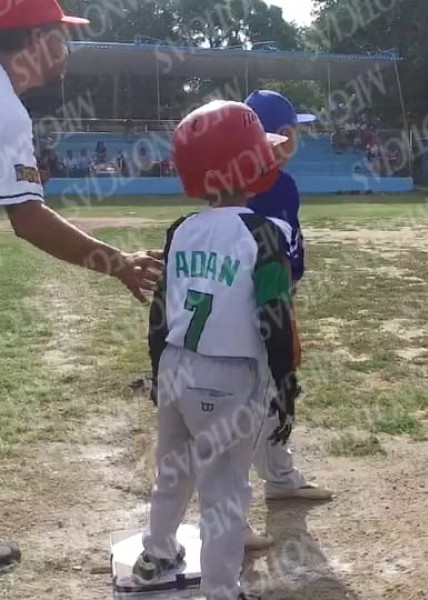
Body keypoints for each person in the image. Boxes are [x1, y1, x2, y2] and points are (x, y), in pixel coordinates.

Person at [0, 0, 162, 570]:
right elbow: (29, 220)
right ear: (37, 42)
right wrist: (118, 262)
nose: (67, 50)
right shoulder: (6, 109)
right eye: (62, 37)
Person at [137, 99, 295, 600]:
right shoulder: (263, 234)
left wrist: (156, 369)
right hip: (232, 377)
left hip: (176, 366)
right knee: (225, 493)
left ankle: (157, 552)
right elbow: (275, 317)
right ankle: (222, 590)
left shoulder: (181, 229)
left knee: (173, 470)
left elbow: (160, 312)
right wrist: (286, 385)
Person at [243, 90, 334, 502]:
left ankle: (278, 475)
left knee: (272, 389)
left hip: (254, 298)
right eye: (294, 130)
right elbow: (273, 261)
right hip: (265, 303)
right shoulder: (278, 186)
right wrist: (287, 323)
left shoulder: (235, 180)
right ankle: (241, 497)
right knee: (264, 390)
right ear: (281, 135)